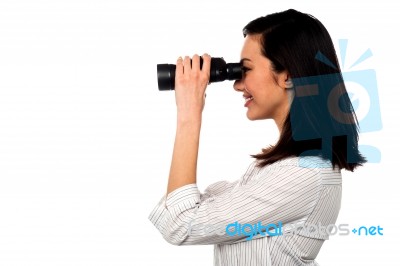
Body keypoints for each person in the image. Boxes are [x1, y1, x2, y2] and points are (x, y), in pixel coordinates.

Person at [148, 9, 365, 266]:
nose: (237, 85)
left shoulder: (304, 173)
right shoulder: (278, 169)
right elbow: (182, 210)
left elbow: (179, 223)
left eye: (245, 70)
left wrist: (189, 113)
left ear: (288, 76)